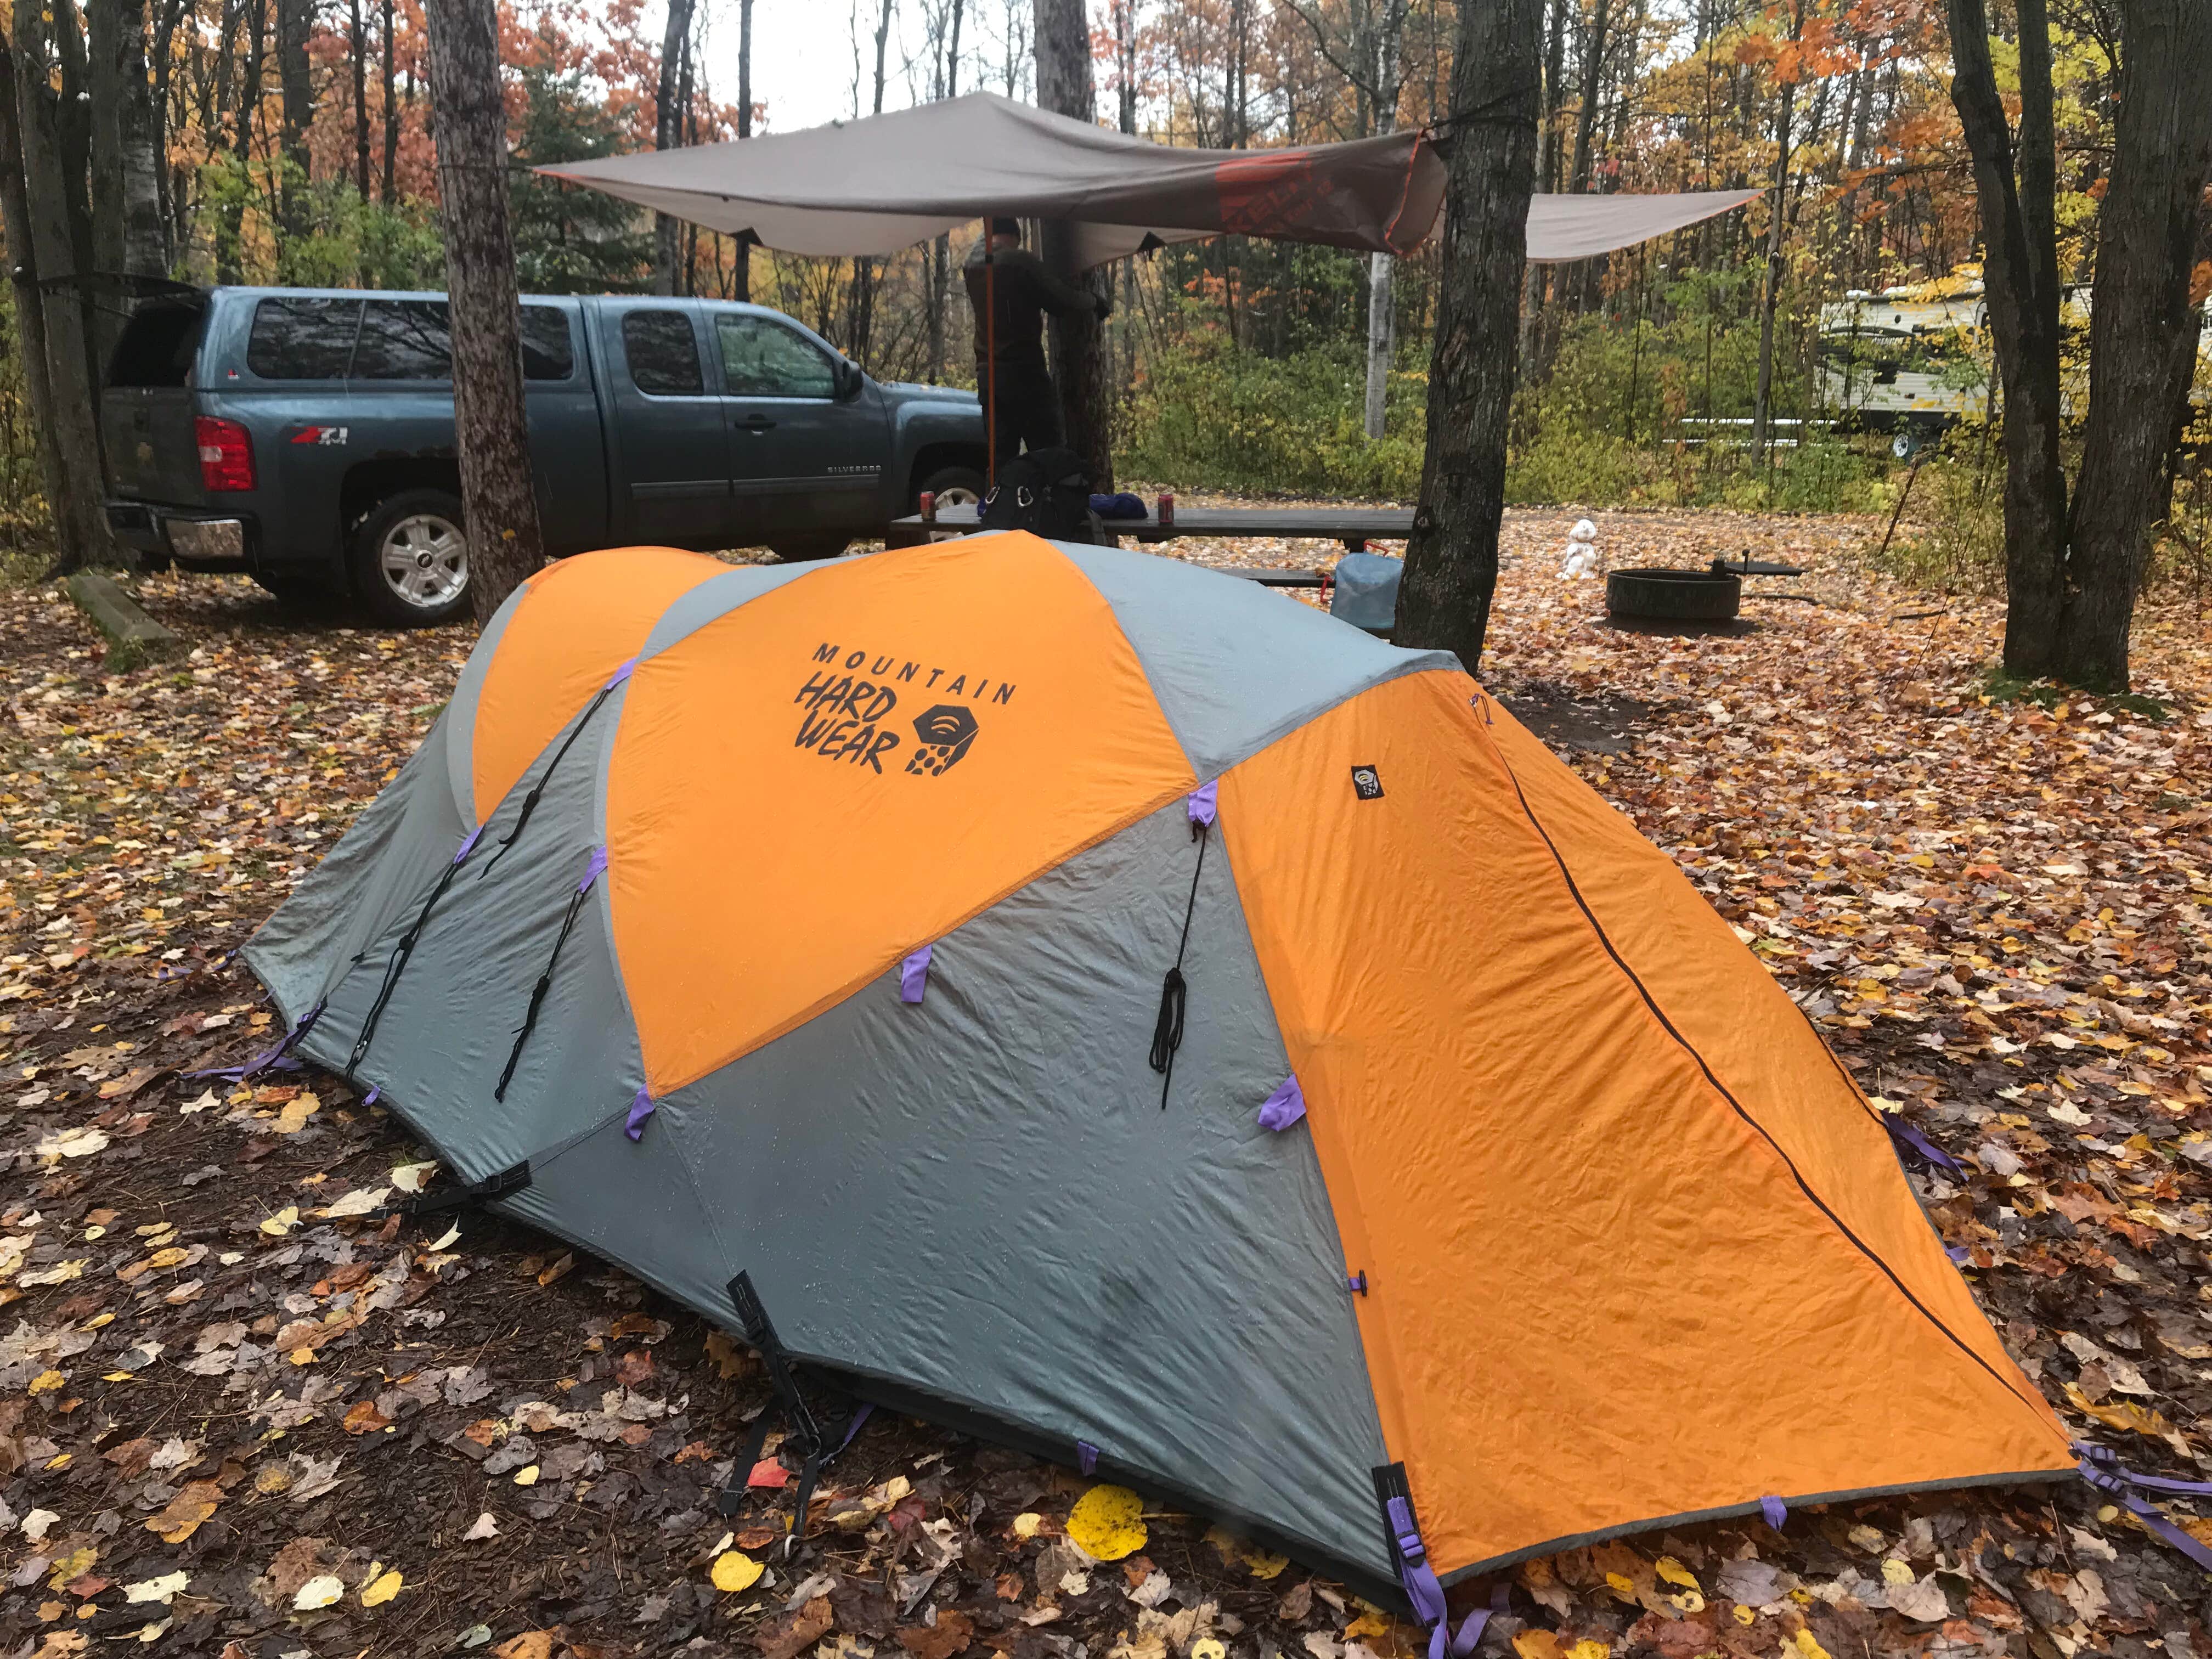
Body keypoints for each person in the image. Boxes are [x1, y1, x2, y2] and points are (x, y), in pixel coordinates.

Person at [964, 216, 1110, 464]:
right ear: (1013, 237)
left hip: (988, 375)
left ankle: (1003, 501)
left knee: (1000, 458)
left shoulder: (972, 265)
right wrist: (1094, 302)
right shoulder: (1019, 262)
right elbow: (1061, 300)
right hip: (1024, 373)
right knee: (1048, 451)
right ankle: (1050, 500)